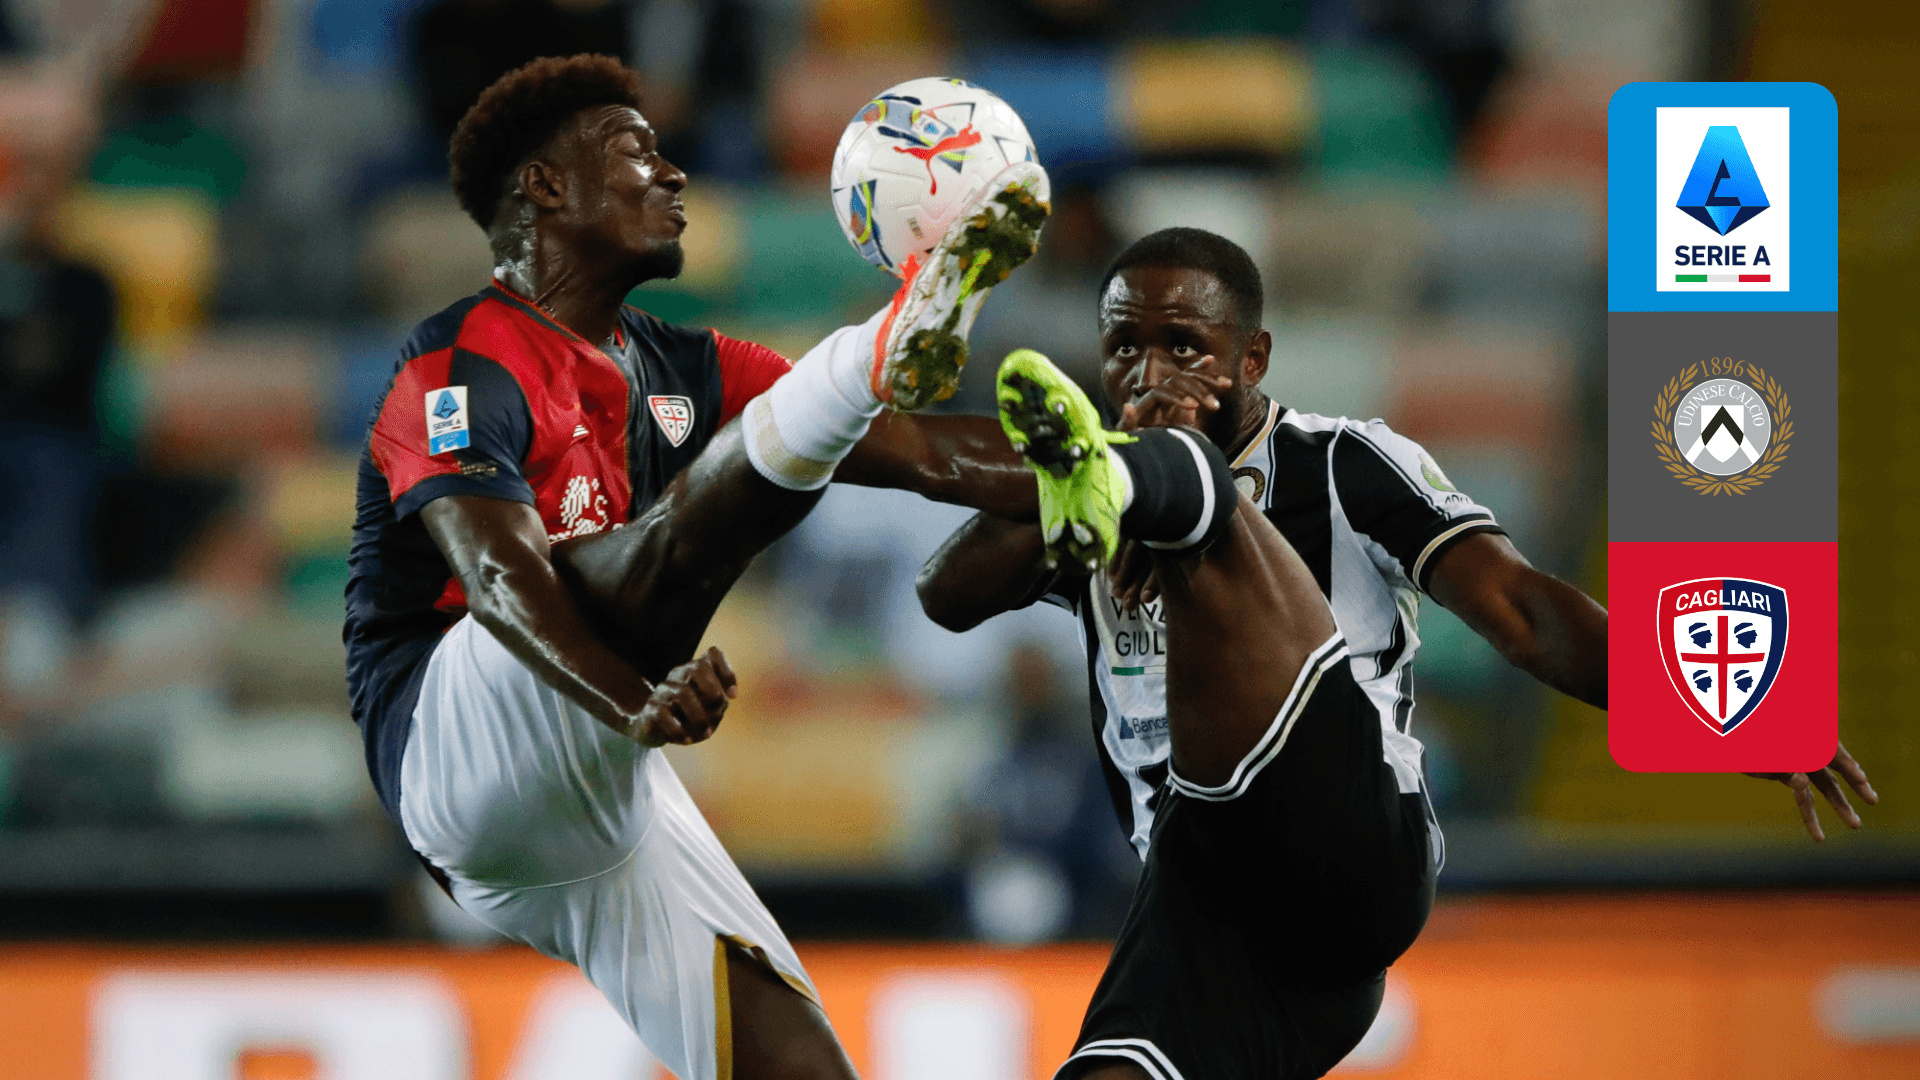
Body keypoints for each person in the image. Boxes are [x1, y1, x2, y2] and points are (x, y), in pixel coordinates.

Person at [916, 228, 1877, 1080]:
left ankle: (1198, 514)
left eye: (1184, 345)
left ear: (1253, 358)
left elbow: (1519, 609)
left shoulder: (1344, 463)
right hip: (1204, 898)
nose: (1149, 371)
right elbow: (946, 595)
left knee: (1207, 539)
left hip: (1345, 849)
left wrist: (1710, 706)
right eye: (1124, 346)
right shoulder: (1089, 482)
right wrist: (1083, 487)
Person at [345, 55, 1046, 1080]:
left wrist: (1131, 472)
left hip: (604, 795)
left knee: (805, 1074)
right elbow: (498, 581)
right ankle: (878, 342)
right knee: (690, 517)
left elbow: (930, 456)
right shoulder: (453, 365)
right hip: (451, 746)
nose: (673, 175)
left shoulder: (684, 365)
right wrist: (635, 697)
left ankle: (875, 356)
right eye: (636, 151)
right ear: (545, 186)